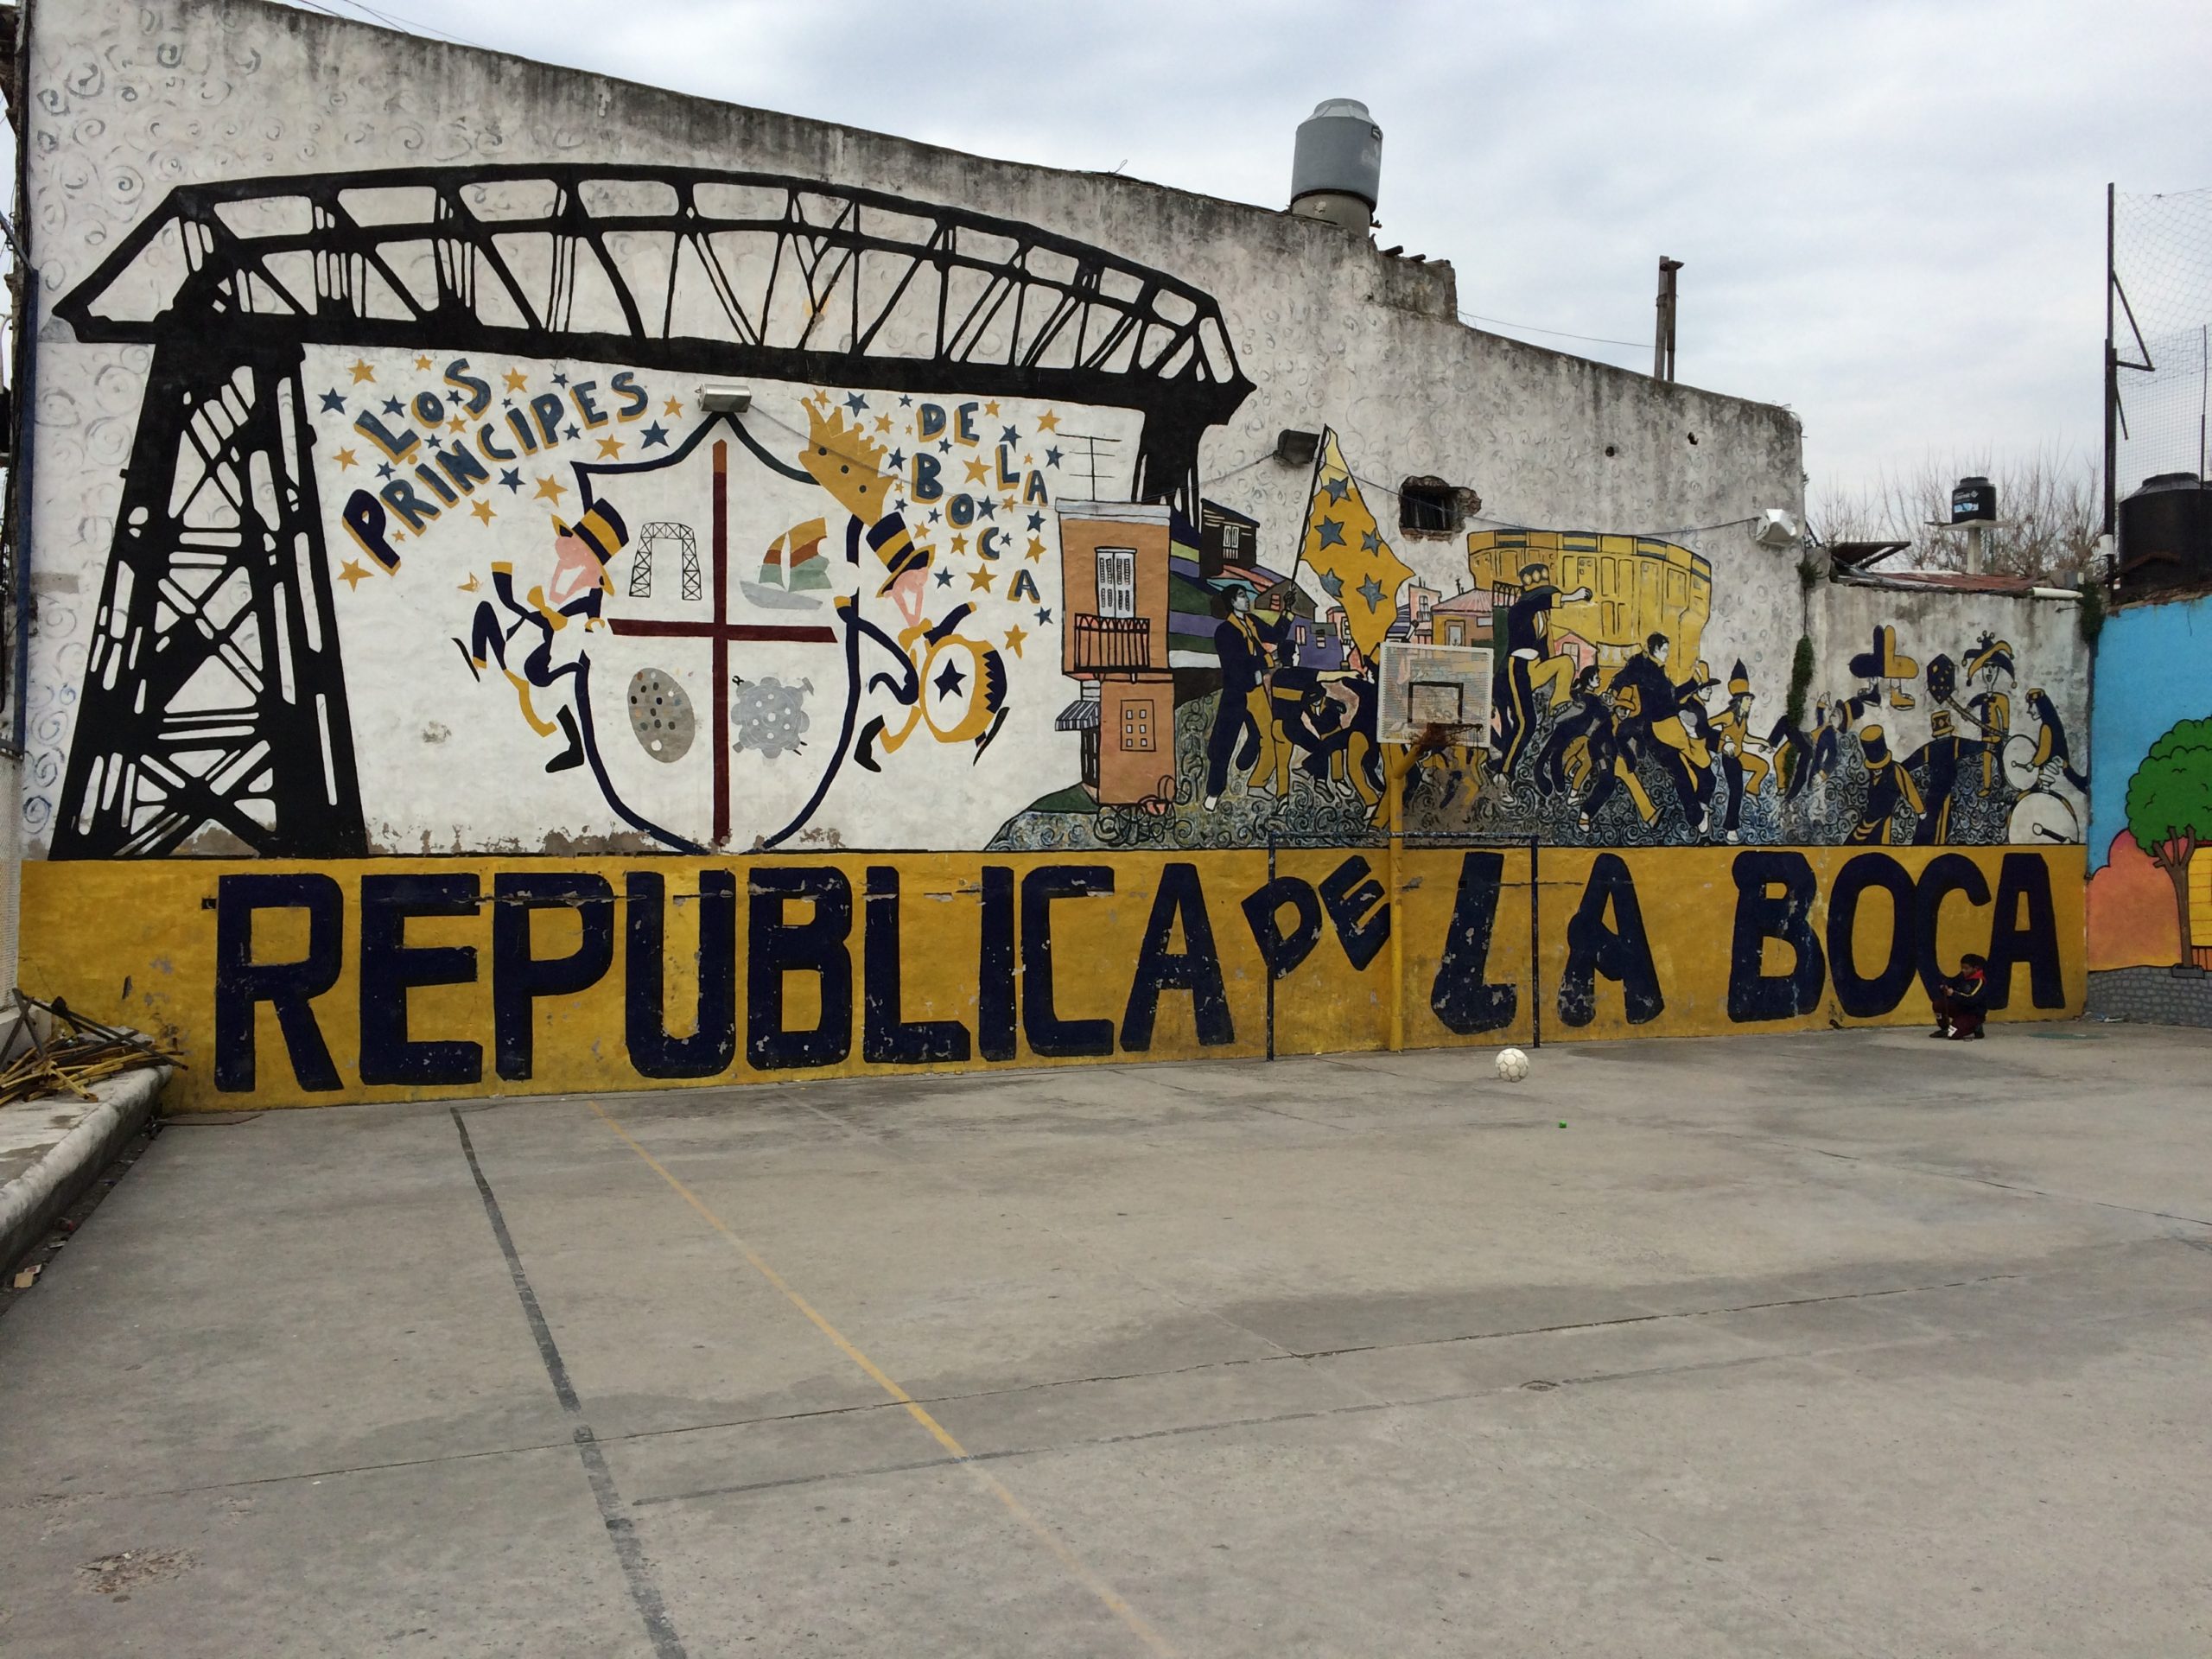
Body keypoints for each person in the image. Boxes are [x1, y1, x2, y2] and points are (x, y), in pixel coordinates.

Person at [456, 501, 629, 772]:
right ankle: (480, 663)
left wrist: (539, 610)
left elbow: (561, 621)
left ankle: (575, 748)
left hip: (550, 650)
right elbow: (542, 609)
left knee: (547, 688)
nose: (563, 543)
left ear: (587, 557)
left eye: (572, 542)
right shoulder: (559, 571)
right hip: (527, 641)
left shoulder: (589, 592)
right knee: (486, 611)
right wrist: (522, 601)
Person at [1205, 580, 1291, 810]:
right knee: (1223, 745)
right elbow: (1238, 664)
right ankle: (1213, 793)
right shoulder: (1225, 631)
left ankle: (1257, 782)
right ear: (1232, 602)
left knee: (1268, 736)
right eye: (1242, 595)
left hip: (1256, 691)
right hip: (1236, 693)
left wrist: (1288, 612)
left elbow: (1276, 635)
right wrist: (1268, 659)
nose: (1247, 599)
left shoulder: (1251, 622)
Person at [1930, 953, 1989, 1039]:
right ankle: (1945, 1028)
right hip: (1960, 1008)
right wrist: (1944, 986)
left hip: (1973, 1013)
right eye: (1962, 968)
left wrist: (1953, 994)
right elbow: (1952, 982)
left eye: (1966, 968)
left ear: (1975, 969)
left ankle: (1976, 1026)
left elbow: (1971, 999)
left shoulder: (1980, 982)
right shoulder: (1963, 976)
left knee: (1953, 1035)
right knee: (1938, 1004)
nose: (1963, 970)